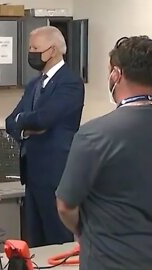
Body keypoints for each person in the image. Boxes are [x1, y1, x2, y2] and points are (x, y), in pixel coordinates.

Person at [56, 36, 152, 270]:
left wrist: (86, 233)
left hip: (111, 259)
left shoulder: (95, 135)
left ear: (116, 74)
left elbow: (66, 206)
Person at [5, 26, 84, 247]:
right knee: (35, 242)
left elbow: (43, 119)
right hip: (32, 175)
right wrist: (25, 126)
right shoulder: (34, 84)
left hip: (56, 174)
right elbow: (10, 121)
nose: (31, 52)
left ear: (53, 50)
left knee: (57, 239)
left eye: (35, 48)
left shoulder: (70, 83)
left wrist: (27, 121)